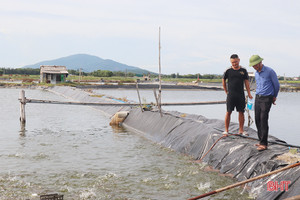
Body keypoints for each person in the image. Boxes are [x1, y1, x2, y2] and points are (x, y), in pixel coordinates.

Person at [249, 55, 280, 151]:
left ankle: (264, 143)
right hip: (258, 97)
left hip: (267, 98)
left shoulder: (270, 71)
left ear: (259, 63)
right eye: (253, 66)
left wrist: (274, 97)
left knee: (263, 119)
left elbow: (277, 85)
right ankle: (260, 140)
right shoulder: (256, 73)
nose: (254, 67)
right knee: (257, 119)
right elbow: (258, 85)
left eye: (255, 65)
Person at [222, 54, 253, 136]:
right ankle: (226, 130)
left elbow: (246, 82)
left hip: (240, 95)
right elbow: (223, 81)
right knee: (228, 112)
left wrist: (249, 93)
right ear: (230, 62)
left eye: (235, 62)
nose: (234, 64)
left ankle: (241, 130)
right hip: (231, 95)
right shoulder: (228, 71)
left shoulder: (243, 70)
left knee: (241, 112)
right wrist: (226, 92)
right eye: (232, 62)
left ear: (239, 60)